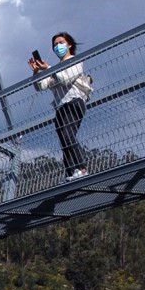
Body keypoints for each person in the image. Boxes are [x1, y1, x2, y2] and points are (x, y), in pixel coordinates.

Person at [29, 31, 93, 181]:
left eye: (61, 43)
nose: (58, 46)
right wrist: (37, 72)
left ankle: (82, 168)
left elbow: (66, 79)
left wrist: (48, 68)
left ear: (69, 44)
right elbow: (41, 86)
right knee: (64, 140)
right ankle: (70, 172)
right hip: (61, 107)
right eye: (55, 45)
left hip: (74, 102)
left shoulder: (75, 61)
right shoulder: (55, 68)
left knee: (68, 135)